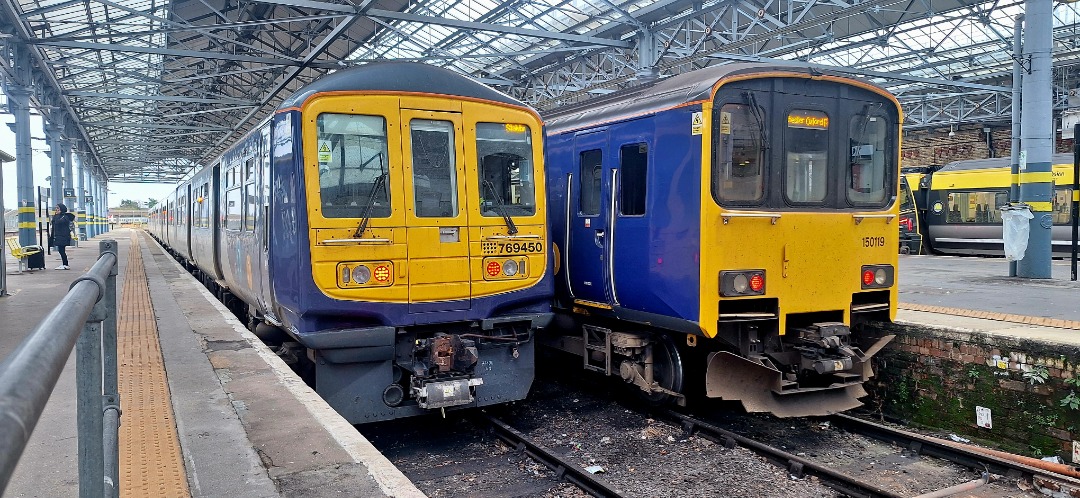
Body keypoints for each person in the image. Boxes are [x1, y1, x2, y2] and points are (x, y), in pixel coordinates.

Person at [51, 204, 76, 270]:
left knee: (61, 250)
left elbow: (57, 223)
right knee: (61, 250)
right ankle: (65, 264)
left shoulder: (64, 217)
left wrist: (56, 216)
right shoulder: (60, 216)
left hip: (63, 236)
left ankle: (65, 264)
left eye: (58, 208)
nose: (56, 210)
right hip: (60, 236)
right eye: (56, 208)